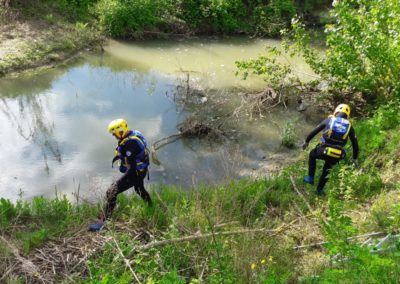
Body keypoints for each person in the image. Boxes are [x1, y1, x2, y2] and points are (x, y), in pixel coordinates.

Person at [89, 118, 152, 231]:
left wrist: (119, 180)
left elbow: (131, 168)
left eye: (115, 134)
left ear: (121, 130)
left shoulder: (130, 144)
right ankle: (151, 207)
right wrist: (121, 156)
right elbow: (133, 155)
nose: (114, 136)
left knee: (111, 191)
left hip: (136, 172)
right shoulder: (132, 134)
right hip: (142, 170)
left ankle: (104, 222)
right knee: (139, 189)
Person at [302, 104, 359, 195]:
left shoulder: (329, 120)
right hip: (337, 154)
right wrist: (355, 158)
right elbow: (355, 145)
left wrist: (307, 141)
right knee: (327, 169)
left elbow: (314, 132)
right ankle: (319, 190)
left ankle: (310, 178)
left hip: (323, 150)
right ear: (347, 115)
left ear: (336, 112)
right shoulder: (349, 126)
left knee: (312, 154)